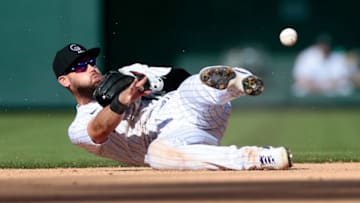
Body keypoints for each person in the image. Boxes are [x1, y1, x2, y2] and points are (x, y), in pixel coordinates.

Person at [52, 43, 292, 170]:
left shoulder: (127, 73)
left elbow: (179, 76)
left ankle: (238, 80)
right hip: (177, 137)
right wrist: (123, 100)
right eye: (80, 66)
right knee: (158, 156)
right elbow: (98, 131)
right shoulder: (78, 127)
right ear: (65, 81)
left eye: (91, 61)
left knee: (196, 83)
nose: (91, 67)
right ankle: (259, 157)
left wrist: (151, 82)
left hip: (183, 107)